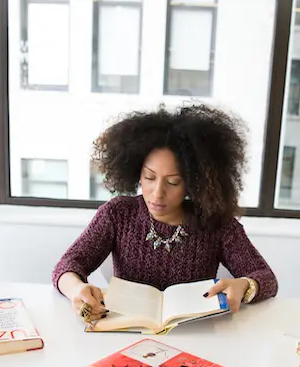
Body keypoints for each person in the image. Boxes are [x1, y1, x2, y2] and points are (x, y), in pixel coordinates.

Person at [52, 103, 278, 324]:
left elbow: (266, 278)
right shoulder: (118, 213)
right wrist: (76, 290)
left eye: (173, 182)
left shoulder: (215, 223)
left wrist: (244, 286)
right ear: (136, 172)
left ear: (192, 183)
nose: (158, 193)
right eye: (150, 178)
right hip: (125, 332)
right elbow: (68, 265)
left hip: (197, 337)